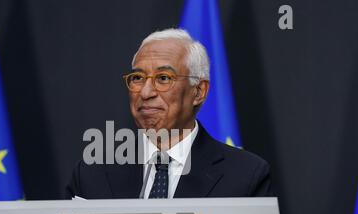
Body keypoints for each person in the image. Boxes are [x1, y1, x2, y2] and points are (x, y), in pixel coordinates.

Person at [65, 28, 273, 199]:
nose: (146, 92)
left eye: (163, 78)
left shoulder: (245, 176)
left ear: (198, 92)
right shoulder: (92, 173)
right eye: (137, 77)